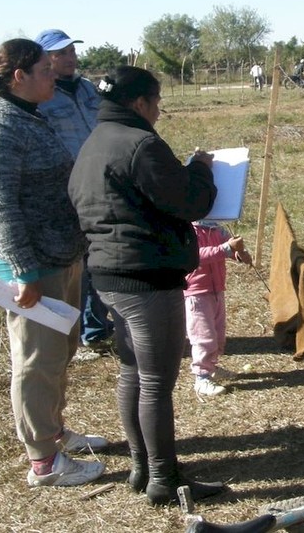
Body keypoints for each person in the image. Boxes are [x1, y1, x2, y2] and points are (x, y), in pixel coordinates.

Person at [67, 65, 224, 506]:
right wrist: (201, 169)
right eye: (156, 103)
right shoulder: (141, 144)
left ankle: (142, 467)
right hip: (147, 278)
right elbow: (190, 201)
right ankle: (164, 478)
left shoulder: (94, 142)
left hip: (108, 274)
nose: (158, 111)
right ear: (139, 103)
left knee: (133, 371)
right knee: (156, 381)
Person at [0, 38, 106, 487]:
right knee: (37, 360)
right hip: (30, 265)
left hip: (59, 254)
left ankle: (54, 429)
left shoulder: (29, 114)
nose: (55, 77)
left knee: (60, 351)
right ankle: (44, 461)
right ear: (19, 76)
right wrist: (24, 272)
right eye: (46, 69)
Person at [34, 28, 115, 353]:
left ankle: (96, 327)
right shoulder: (42, 97)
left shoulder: (88, 89)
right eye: (60, 53)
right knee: (76, 263)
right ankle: (78, 330)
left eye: (71, 51)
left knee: (100, 256)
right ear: (46, 59)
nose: (69, 58)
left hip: (100, 181)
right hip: (67, 187)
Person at [185, 221, 252, 397]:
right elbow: (195, 255)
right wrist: (226, 248)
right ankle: (201, 377)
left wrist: (239, 254)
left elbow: (230, 248)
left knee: (218, 334)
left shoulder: (215, 229)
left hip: (217, 290)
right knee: (203, 337)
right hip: (196, 293)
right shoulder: (187, 228)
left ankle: (211, 367)